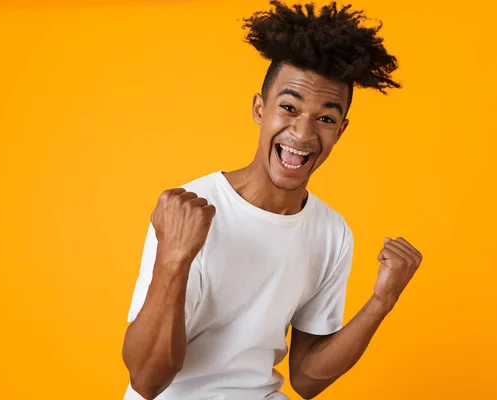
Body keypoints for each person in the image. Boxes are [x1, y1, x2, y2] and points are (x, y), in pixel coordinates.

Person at [122, 1, 423, 399]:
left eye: (326, 118)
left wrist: (381, 302)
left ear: (341, 130)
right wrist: (173, 261)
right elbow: (146, 381)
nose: (303, 133)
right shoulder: (187, 210)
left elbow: (306, 379)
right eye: (288, 108)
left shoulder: (332, 233)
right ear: (259, 109)